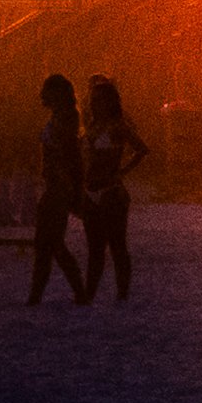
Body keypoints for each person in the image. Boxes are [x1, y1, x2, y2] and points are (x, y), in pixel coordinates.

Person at [83, 81, 149, 301]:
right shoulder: (92, 126)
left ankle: (122, 294)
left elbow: (141, 149)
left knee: (116, 245)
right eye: (94, 99)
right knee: (95, 248)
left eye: (101, 99)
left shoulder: (117, 125)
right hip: (91, 190)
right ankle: (89, 293)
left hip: (112, 192)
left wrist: (121, 171)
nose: (96, 103)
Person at [31, 75, 91, 306]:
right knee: (46, 242)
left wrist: (74, 188)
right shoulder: (59, 116)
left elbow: (70, 154)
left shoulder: (67, 118)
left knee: (51, 241)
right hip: (54, 184)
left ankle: (75, 292)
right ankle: (41, 294)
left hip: (59, 185)